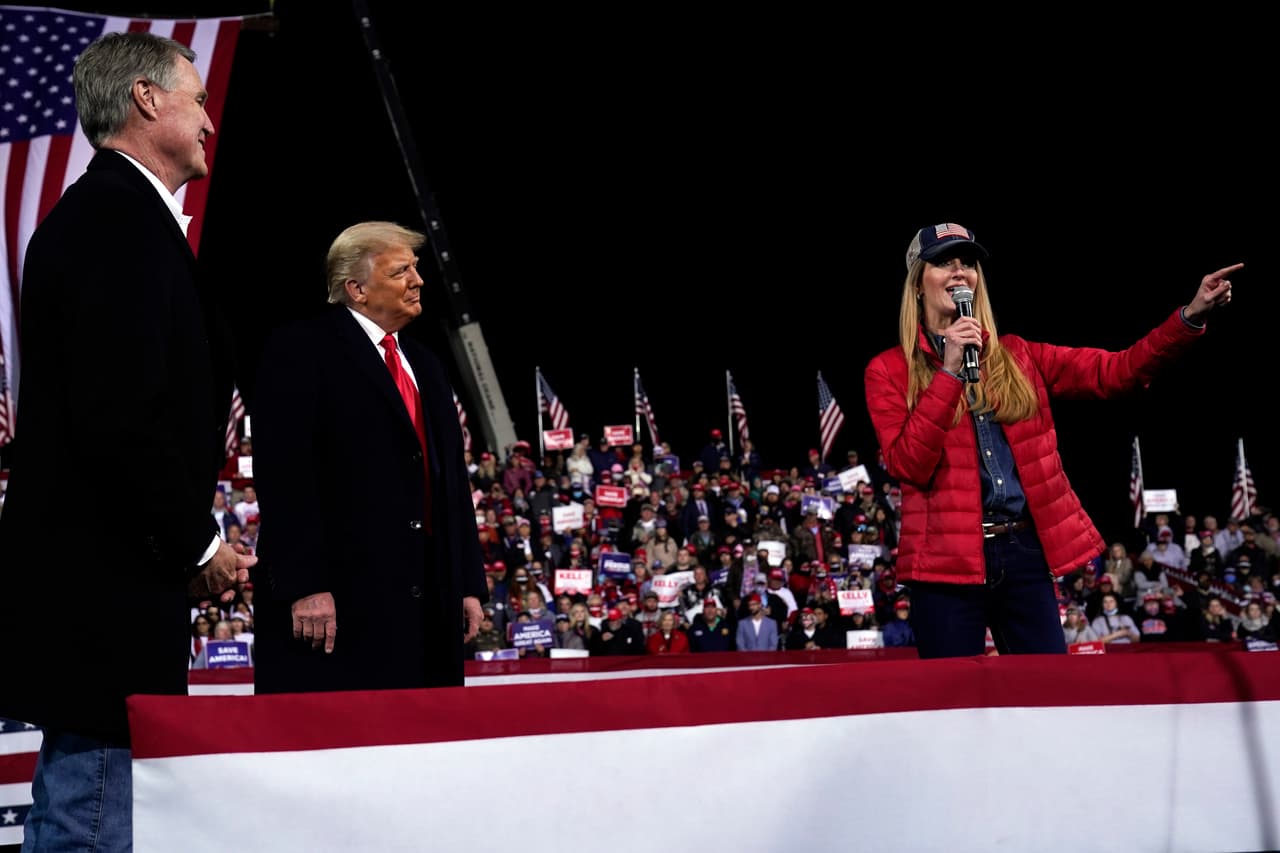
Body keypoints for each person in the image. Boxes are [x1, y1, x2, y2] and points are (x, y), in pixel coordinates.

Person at [0, 31, 257, 851]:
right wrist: (197, 545)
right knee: (91, 811)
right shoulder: (116, 222)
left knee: (92, 798)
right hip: (102, 596)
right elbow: (120, 418)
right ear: (148, 99)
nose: (211, 121)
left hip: (104, 584)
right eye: (199, 98)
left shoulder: (118, 219)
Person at [864, 221, 1240, 659]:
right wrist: (948, 372)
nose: (959, 271)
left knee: (1048, 695)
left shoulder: (1020, 356)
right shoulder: (888, 371)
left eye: (967, 263)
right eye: (943, 262)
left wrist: (1189, 316)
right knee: (952, 707)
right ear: (916, 283)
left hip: (1023, 554)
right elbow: (908, 465)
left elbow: (1118, 372)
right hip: (944, 566)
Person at [250, 221, 487, 694]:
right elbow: (285, 476)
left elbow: (451, 484)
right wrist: (304, 583)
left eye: (416, 269)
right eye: (402, 271)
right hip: (341, 607)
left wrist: (465, 583)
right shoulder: (301, 349)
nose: (418, 281)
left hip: (427, 606)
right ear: (356, 288)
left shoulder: (426, 364)